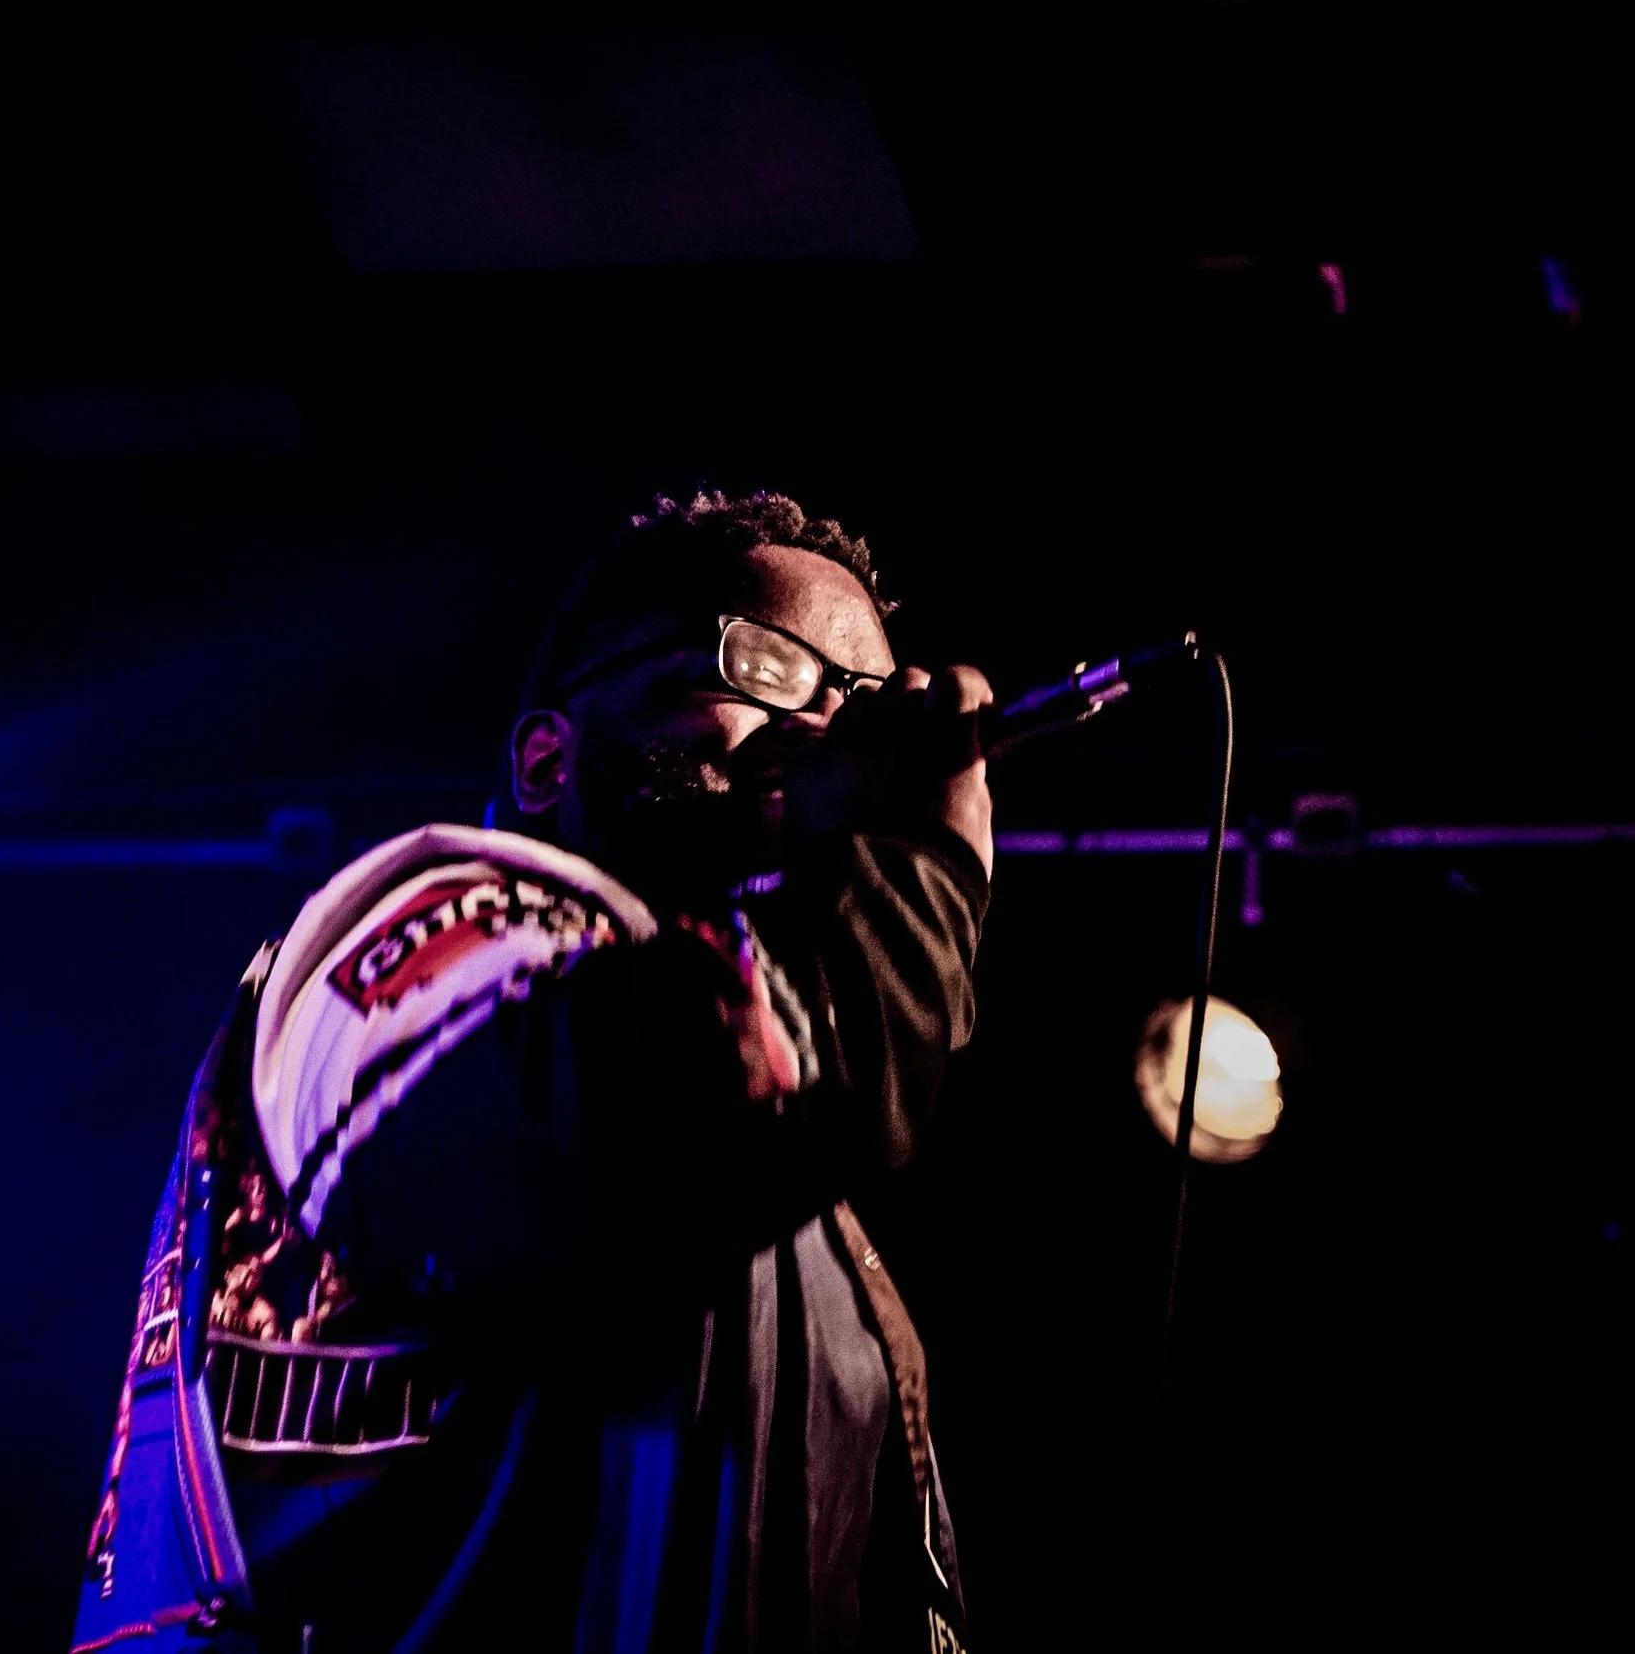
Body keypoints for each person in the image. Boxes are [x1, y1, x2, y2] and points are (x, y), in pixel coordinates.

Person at [72, 490, 992, 1654]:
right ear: (550, 758)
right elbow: (659, 1113)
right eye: (769, 667)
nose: (831, 730)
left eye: (862, 702)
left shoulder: (825, 1240)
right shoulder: (429, 929)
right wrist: (912, 862)